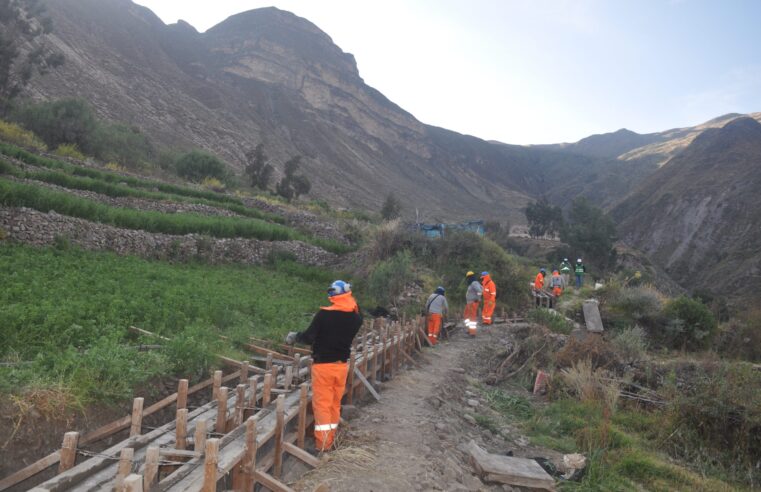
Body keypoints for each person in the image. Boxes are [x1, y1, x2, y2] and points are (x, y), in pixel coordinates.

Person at [285, 280, 362, 451]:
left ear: (334, 294)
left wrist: (294, 336)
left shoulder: (324, 315)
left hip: (324, 367)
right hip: (342, 367)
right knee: (334, 404)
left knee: (322, 406)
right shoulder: (356, 317)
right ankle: (331, 439)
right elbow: (355, 311)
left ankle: (323, 445)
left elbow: (308, 337)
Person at [464, 271, 482, 336]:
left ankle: (472, 332)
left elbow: (480, 291)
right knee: (466, 315)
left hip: (473, 302)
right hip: (469, 303)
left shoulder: (474, 283)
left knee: (472, 317)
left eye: (468, 278)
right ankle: (469, 329)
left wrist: (477, 298)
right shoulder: (472, 283)